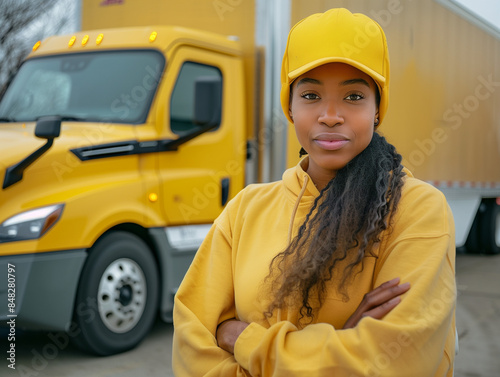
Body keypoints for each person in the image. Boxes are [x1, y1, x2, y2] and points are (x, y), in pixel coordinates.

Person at [172, 8, 456, 377]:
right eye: (310, 94)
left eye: (354, 96)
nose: (331, 115)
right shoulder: (244, 209)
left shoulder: (417, 210)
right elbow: (192, 338)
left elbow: (396, 361)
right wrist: (340, 342)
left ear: (377, 109)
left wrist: (243, 340)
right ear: (289, 107)